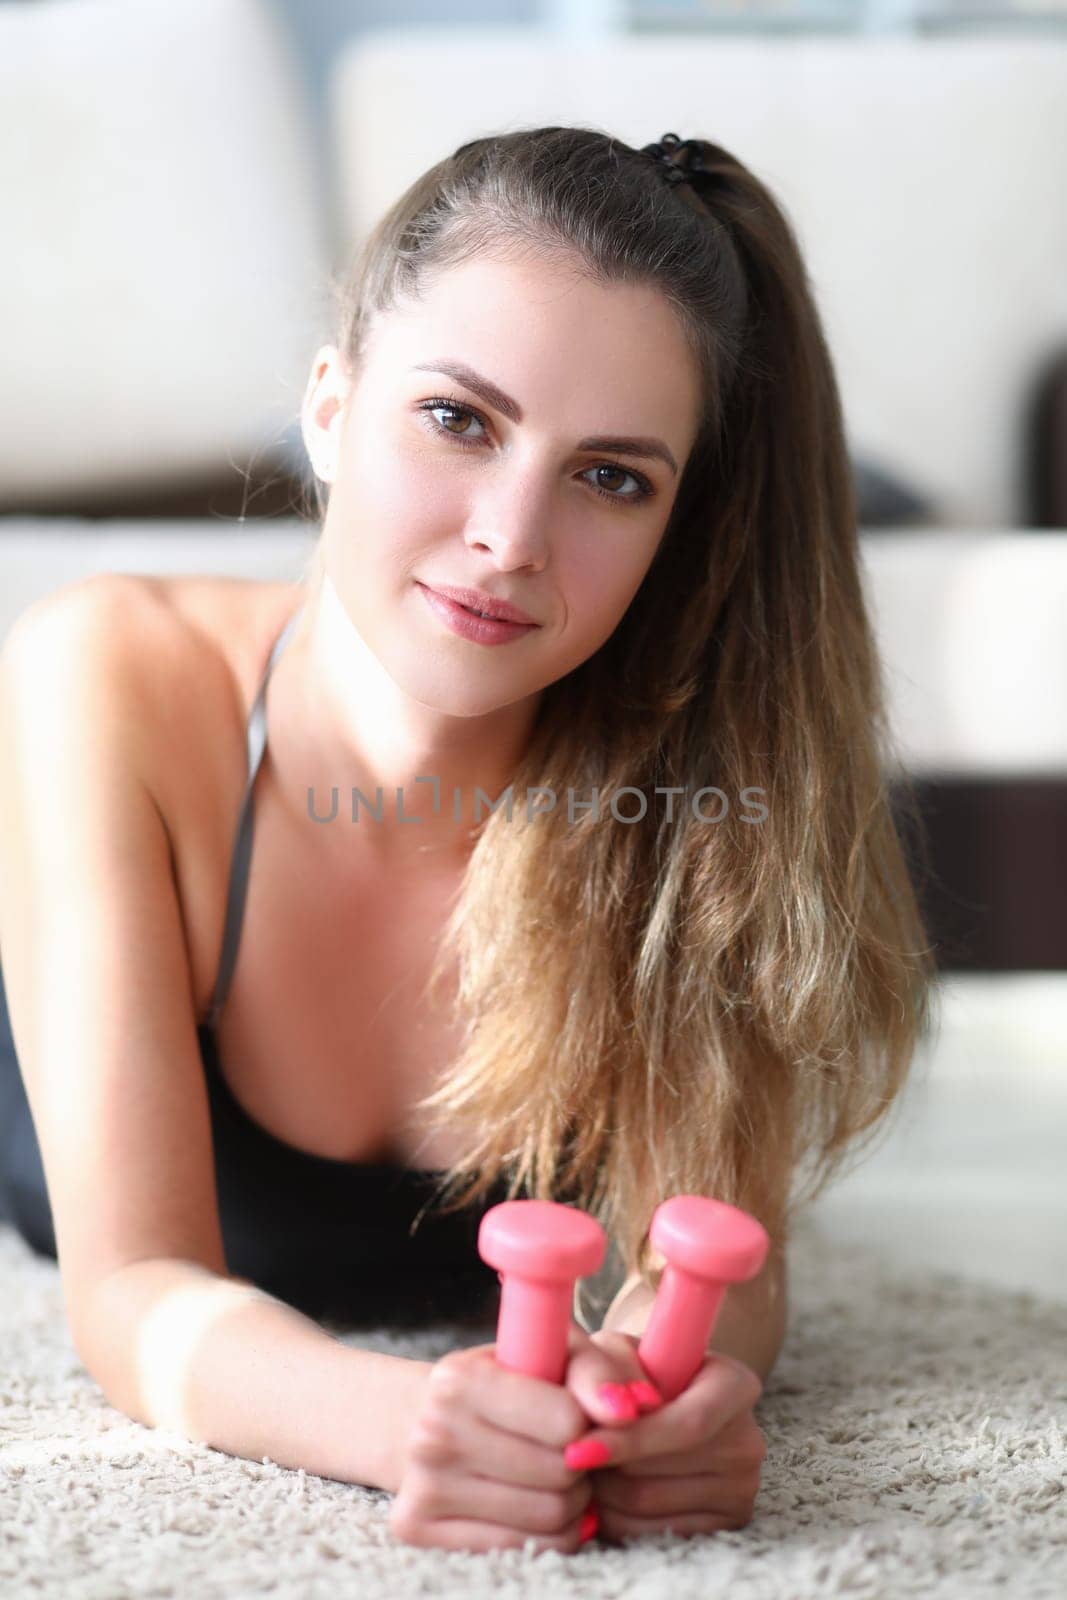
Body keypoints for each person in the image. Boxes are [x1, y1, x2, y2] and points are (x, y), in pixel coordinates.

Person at [0, 125, 938, 1552]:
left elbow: (722, 1248)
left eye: (611, 477)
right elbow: (135, 1287)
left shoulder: (696, 797)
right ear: (329, 406)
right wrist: (412, 1419)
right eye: (459, 419)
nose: (511, 537)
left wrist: (672, 1387)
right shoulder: (107, 677)